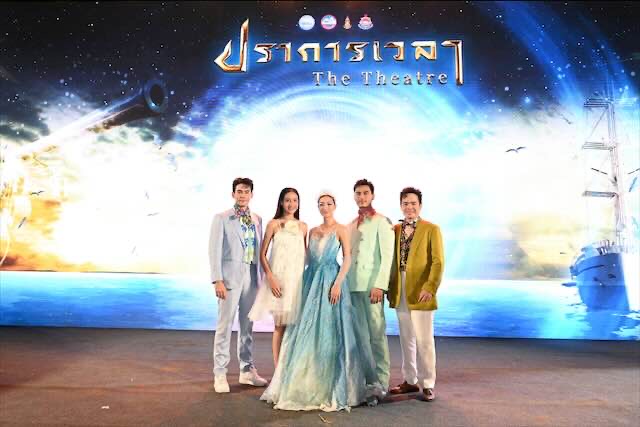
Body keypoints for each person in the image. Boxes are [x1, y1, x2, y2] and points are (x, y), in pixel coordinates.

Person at [261, 192, 373, 412]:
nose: (325, 207)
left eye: (329, 203)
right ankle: (300, 375)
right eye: (321, 204)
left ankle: (330, 379)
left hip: (331, 279)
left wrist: (338, 282)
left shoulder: (341, 229)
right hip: (311, 281)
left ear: (335, 205)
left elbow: (347, 258)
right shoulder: (311, 230)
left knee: (330, 330)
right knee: (304, 329)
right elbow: (303, 257)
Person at [209, 177, 268, 393]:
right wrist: (217, 279)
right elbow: (214, 250)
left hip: (251, 276)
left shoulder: (257, 219)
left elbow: (260, 251)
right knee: (224, 326)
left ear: (252, 194)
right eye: (239, 191)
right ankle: (220, 373)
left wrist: (261, 279)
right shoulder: (222, 218)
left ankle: (246, 370)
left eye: (246, 191)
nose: (243, 195)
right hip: (230, 279)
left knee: (247, 326)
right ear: (233, 194)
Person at [387, 187, 444, 402]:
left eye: (413, 203)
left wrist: (430, 287)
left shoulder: (431, 229)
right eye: (405, 203)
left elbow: (438, 262)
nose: (409, 207)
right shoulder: (395, 229)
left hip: (421, 289)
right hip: (400, 288)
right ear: (400, 206)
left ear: (420, 205)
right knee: (406, 338)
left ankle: (428, 383)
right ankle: (410, 380)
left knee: (424, 340)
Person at [249, 188, 307, 368]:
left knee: (294, 328)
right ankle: (278, 370)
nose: (291, 204)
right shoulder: (274, 224)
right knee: (279, 326)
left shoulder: (303, 227)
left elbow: (305, 255)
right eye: (287, 200)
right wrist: (271, 277)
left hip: (296, 282)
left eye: (295, 200)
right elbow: (262, 254)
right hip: (279, 281)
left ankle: (290, 368)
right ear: (281, 202)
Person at [348, 179, 394, 402]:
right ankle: (368, 380)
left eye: (366, 193)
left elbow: (387, 257)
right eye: (358, 193)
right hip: (353, 286)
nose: (362, 197)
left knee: (377, 334)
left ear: (372, 195)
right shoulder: (350, 225)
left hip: (372, 286)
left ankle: (383, 381)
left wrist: (380, 285)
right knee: (360, 337)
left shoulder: (382, 221)